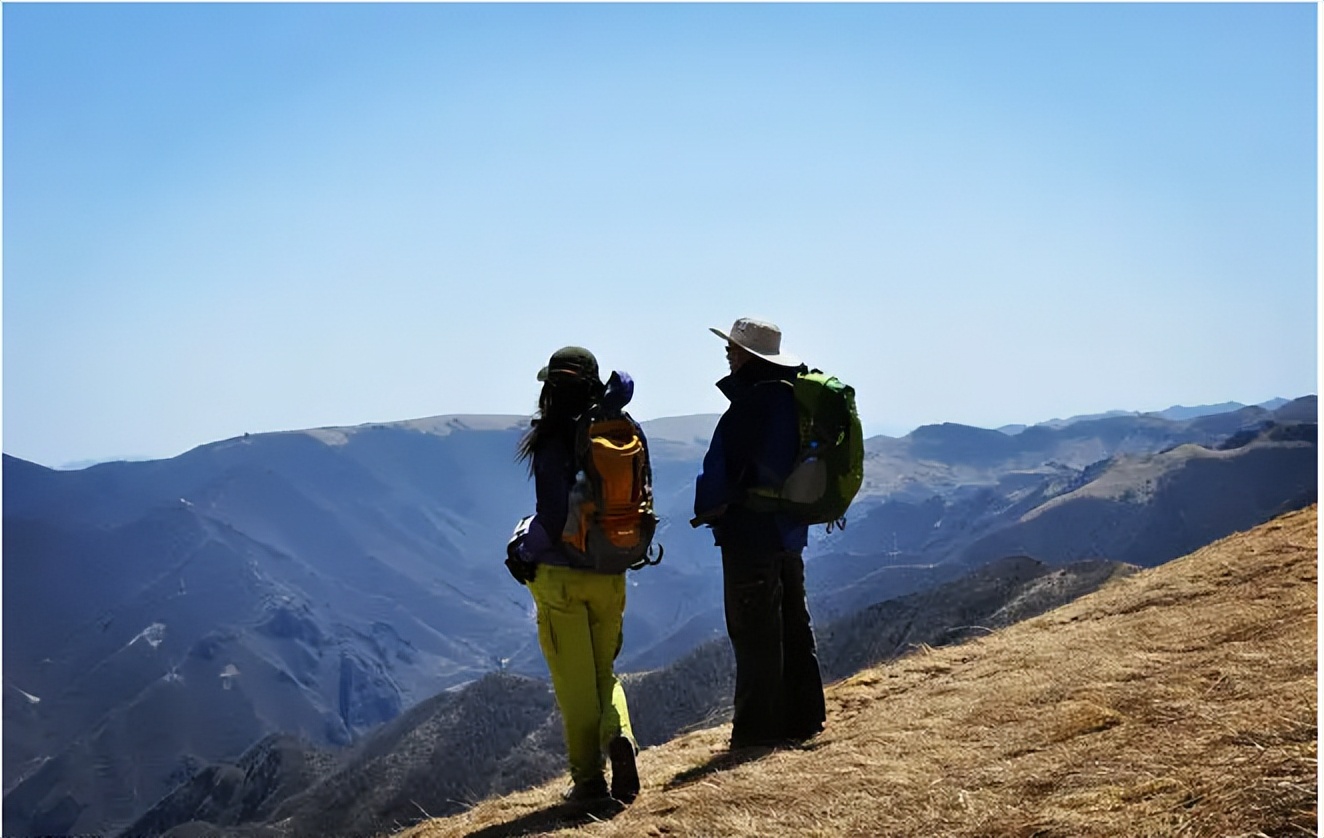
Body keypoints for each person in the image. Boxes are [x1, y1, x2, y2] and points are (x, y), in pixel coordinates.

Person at [508, 346, 641, 804]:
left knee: (575, 687)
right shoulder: (623, 429)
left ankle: (588, 783)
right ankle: (619, 734)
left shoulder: (553, 437)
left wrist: (520, 549)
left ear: (550, 389)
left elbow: (551, 517)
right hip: (611, 572)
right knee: (606, 673)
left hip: (561, 580)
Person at [692, 317, 827, 750]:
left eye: (733, 350)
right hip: (788, 530)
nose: (728, 356)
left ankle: (756, 732)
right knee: (792, 623)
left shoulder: (751, 405)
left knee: (755, 633)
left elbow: (724, 472)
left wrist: (711, 508)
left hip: (751, 531)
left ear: (750, 356)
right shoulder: (791, 400)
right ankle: (805, 717)